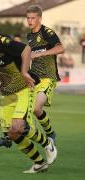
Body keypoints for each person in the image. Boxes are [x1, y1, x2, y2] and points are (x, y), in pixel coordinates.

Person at [0, 15, 57, 173]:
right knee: (11, 133)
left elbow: (26, 49)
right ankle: (39, 163)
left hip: (23, 89)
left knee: (18, 126)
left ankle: (47, 143)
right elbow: (1, 71)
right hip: (8, 95)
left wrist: (25, 72)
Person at [26, 5, 65, 143]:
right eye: (28, 18)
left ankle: (49, 133)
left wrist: (43, 53)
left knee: (37, 108)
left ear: (39, 19)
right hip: (33, 78)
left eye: (33, 18)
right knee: (26, 109)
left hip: (48, 77)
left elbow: (61, 48)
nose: (30, 21)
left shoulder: (47, 32)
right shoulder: (29, 36)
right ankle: (10, 135)